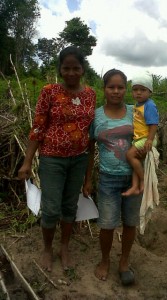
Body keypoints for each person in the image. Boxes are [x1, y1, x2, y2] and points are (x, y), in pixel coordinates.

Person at [18, 46, 96, 272]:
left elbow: (90, 133)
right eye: (66, 68)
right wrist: (26, 161)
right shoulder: (49, 91)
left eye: (76, 68)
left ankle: (64, 247)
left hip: (79, 159)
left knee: (70, 206)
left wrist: (88, 174)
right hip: (52, 159)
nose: (71, 73)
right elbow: (38, 128)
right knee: (51, 208)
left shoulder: (90, 94)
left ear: (83, 69)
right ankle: (47, 248)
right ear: (60, 70)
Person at [83, 69, 143, 286]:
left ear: (126, 89)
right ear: (104, 89)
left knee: (130, 222)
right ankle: (105, 260)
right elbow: (90, 150)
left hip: (134, 177)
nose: (116, 91)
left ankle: (124, 262)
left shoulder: (135, 112)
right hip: (108, 178)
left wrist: (146, 149)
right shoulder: (96, 115)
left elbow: (148, 135)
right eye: (111, 87)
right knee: (107, 224)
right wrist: (88, 179)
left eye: (120, 87)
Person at [121, 71, 159, 197]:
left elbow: (153, 124)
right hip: (139, 139)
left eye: (142, 89)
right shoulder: (138, 105)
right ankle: (135, 186)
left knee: (130, 156)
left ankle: (143, 180)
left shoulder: (149, 105)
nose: (138, 92)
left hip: (146, 138)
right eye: (135, 89)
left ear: (150, 92)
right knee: (135, 162)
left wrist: (149, 140)